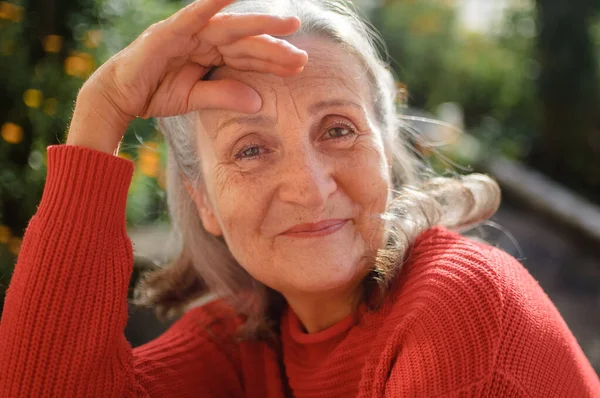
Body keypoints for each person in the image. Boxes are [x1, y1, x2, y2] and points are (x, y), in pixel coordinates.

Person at [0, 0, 598, 396]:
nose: (311, 187)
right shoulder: (242, 339)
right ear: (202, 199)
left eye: (337, 130)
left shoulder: (458, 303)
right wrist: (101, 111)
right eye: (251, 150)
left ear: (385, 156)